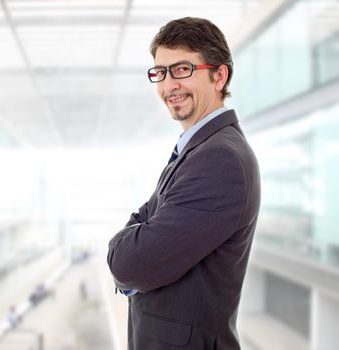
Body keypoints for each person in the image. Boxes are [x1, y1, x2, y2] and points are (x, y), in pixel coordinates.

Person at [107, 17, 260, 350]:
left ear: (219, 75)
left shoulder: (220, 160)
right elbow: (145, 222)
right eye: (160, 73)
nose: (168, 85)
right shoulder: (198, 149)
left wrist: (130, 248)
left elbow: (129, 263)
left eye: (181, 70)